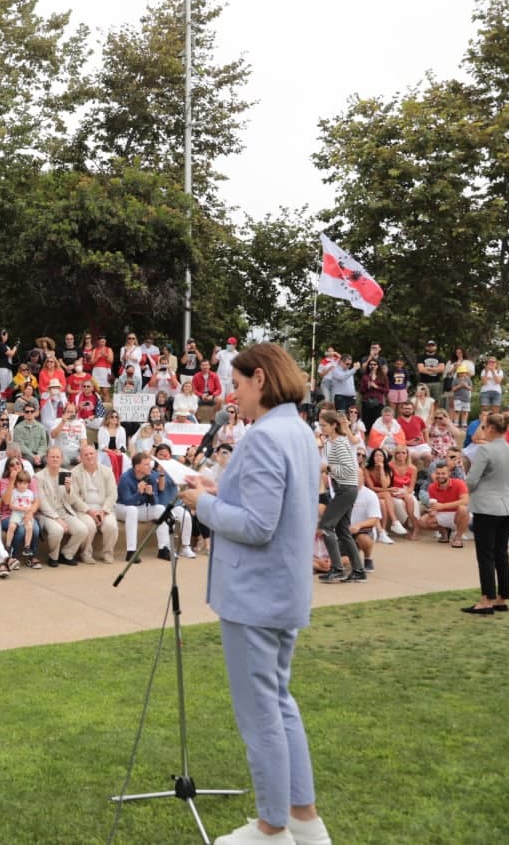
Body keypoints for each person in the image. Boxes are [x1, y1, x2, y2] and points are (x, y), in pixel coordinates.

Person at [176, 342, 330, 845]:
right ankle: (303, 818)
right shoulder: (299, 430)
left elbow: (260, 525)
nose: (233, 394)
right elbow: (274, 506)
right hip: (280, 590)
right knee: (280, 704)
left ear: (260, 379)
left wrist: (203, 505)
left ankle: (271, 828)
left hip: (255, 593)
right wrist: (220, 492)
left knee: (261, 712)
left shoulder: (265, 436)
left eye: (238, 384)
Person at [461, 412, 509, 615]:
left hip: (486, 507)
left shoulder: (485, 451)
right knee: (501, 554)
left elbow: (471, 480)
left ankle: (486, 599)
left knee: (486, 554)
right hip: (506, 506)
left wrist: (476, 488)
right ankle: (501, 597)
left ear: (489, 428)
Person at [316, 410, 365, 583]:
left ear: (334, 425)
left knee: (326, 526)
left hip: (346, 489)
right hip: (343, 489)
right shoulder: (330, 442)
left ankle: (337, 569)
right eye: (320, 425)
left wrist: (327, 469)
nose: (321, 428)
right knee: (342, 530)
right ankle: (358, 571)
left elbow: (348, 469)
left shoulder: (340, 443)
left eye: (324, 425)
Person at [36, 446, 94, 566]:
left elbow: (71, 500)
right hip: (47, 514)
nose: (55, 459)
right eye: (52, 457)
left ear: (62, 459)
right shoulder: (39, 477)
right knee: (57, 530)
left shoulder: (65, 473)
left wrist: (69, 489)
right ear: (47, 458)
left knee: (82, 530)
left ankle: (66, 554)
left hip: (64, 511)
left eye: (58, 457)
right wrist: (56, 518)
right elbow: (42, 502)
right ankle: (53, 556)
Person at [69, 442, 119, 563]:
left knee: (111, 526)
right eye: (85, 454)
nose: (89, 456)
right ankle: (86, 553)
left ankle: (108, 552)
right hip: (84, 509)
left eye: (91, 453)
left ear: (96, 454)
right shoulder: (74, 472)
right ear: (81, 457)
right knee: (89, 526)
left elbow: (112, 494)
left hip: (104, 508)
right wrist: (89, 511)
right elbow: (74, 497)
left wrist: (104, 511)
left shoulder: (107, 471)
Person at [418, 461, 471, 547]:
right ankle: (444, 532)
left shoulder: (459, 483)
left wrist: (442, 506)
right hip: (443, 513)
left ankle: (458, 538)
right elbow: (434, 505)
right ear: (435, 473)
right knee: (422, 522)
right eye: (438, 473)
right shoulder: (432, 487)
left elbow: (465, 501)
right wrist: (432, 511)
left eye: (443, 473)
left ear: (449, 473)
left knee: (463, 509)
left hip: (459, 514)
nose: (440, 476)